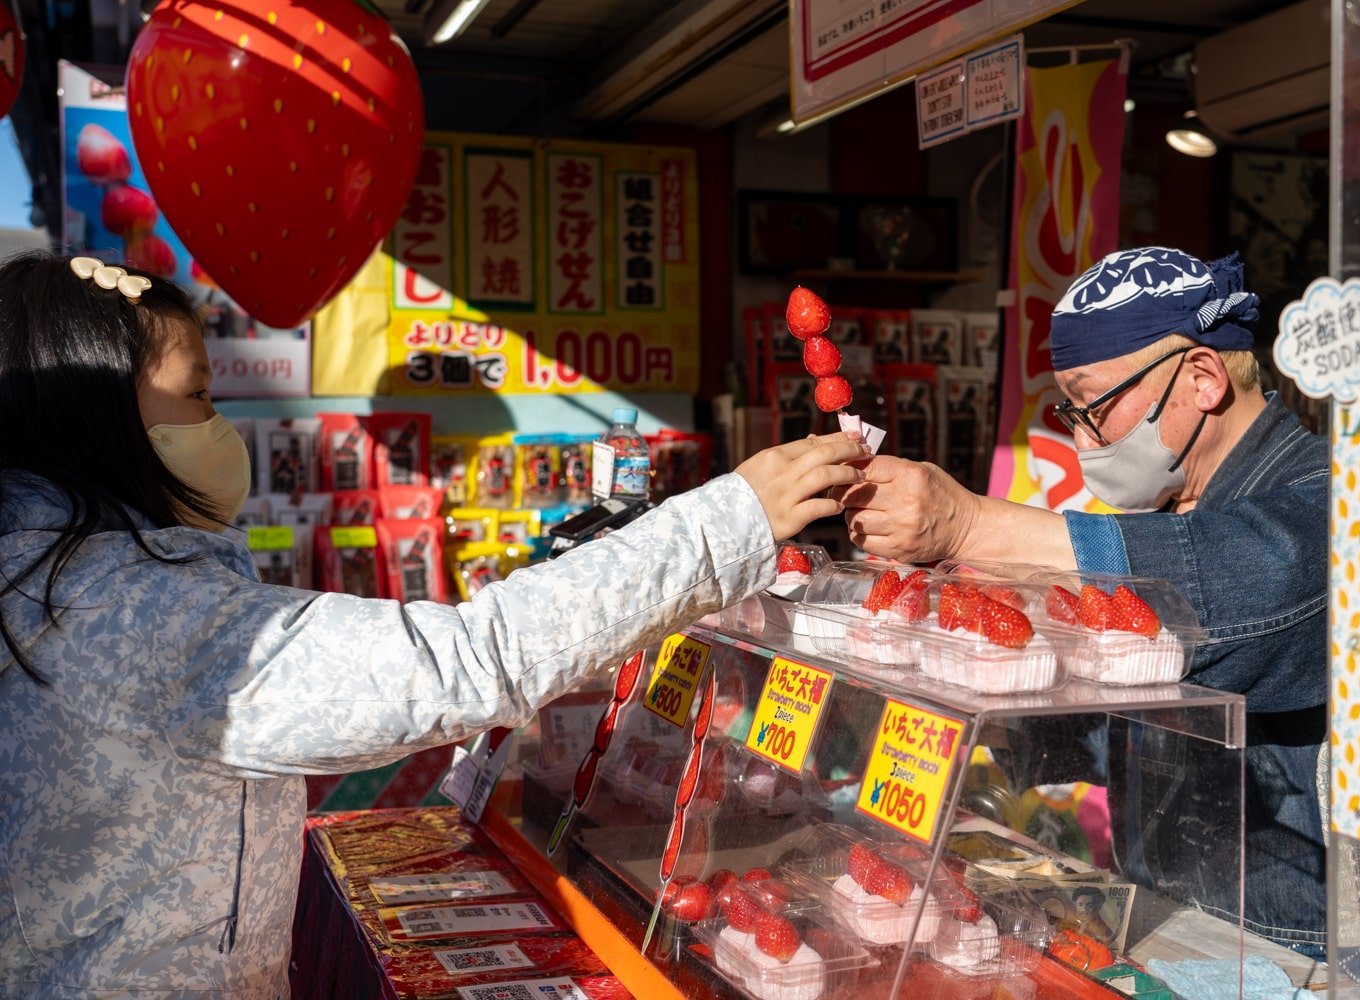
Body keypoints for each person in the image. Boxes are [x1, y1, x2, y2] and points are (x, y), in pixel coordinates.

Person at [0, 251, 869, 998]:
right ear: (100, 423)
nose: (218, 425)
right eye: (196, 397)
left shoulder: (59, 580)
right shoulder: (132, 618)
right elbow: (458, 665)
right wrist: (730, 520)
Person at [840, 246, 1330, 958]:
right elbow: (1141, 708)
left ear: (1201, 378)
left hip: (1295, 951)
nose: (1079, 437)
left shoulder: (1327, 498)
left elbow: (1243, 578)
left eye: (1091, 405)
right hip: (1169, 913)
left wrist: (972, 521)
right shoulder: (1173, 505)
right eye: (1067, 410)